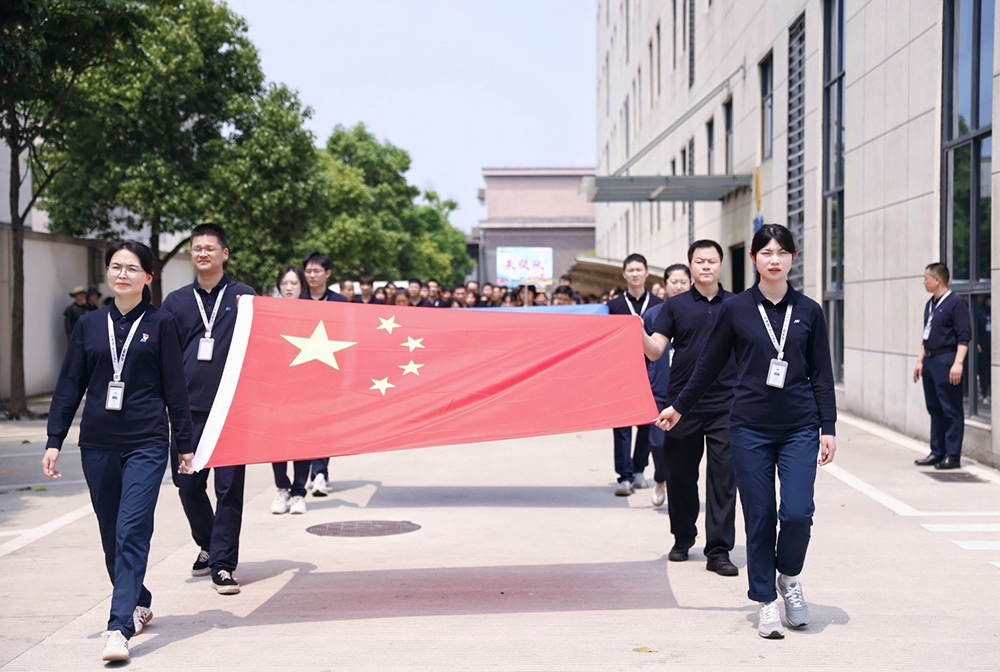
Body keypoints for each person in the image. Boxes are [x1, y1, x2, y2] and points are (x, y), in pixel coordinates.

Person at [656, 224, 837, 640]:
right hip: (749, 428)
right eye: (766, 252)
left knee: (796, 514)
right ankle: (765, 600)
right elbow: (708, 364)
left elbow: (822, 375)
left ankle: (788, 577)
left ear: (793, 257)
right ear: (754, 259)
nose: (774, 260)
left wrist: (828, 426)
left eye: (782, 252)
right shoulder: (735, 309)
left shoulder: (809, 311)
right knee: (759, 515)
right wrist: (679, 407)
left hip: (799, 427)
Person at [44, 241, 193, 662]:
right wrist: (55, 439)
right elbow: (70, 384)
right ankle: (139, 598)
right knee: (111, 534)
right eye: (115, 266)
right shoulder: (89, 325)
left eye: (132, 268)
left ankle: (119, 627)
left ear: (148, 277)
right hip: (97, 443)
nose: (122, 274)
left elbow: (175, 389)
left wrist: (184, 444)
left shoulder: (162, 323)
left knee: (131, 530)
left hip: (145, 441)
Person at [161, 224, 256, 596]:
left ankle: (222, 565)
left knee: (229, 490)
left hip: (232, 409)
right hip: (187, 410)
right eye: (197, 248)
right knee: (187, 485)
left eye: (210, 248)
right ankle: (208, 541)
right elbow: (164, 358)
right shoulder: (176, 302)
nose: (203, 253)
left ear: (224, 254)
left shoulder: (244, 297)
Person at [643, 242, 739, 578]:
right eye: (700, 261)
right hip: (681, 405)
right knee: (681, 475)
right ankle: (683, 538)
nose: (706, 266)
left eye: (712, 261)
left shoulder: (737, 305)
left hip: (727, 404)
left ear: (721, 265)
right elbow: (655, 351)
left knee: (724, 479)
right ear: (690, 266)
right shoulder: (675, 307)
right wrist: (636, 331)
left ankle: (719, 550)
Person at [607, 253, 663, 496]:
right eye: (630, 270)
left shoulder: (660, 305)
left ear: (647, 273)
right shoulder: (614, 305)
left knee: (647, 423)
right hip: (620, 372)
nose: (635, 274)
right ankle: (624, 476)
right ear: (624, 274)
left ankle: (639, 468)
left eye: (639, 269)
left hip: (650, 371)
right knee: (620, 425)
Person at [912, 262, 971, 470]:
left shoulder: (956, 303)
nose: (924, 282)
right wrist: (920, 360)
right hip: (930, 360)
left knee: (950, 408)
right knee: (934, 408)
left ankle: (952, 455)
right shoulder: (930, 304)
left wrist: (958, 363)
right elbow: (926, 335)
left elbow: (964, 336)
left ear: (937, 279)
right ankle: (937, 451)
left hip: (947, 360)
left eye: (926, 278)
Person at [644, 264, 691, 507]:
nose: (679, 286)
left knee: (683, 449)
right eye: (674, 281)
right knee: (658, 443)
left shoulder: (699, 312)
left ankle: (678, 490)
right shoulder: (653, 315)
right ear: (665, 286)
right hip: (659, 390)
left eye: (684, 281)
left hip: (688, 393)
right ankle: (660, 477)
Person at [301, 251, 345, 495]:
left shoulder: (339, 302)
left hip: (331, 373)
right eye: (308, 271)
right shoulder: (297, 301)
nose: (312, 275)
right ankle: (310, 470)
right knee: (306, 424)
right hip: (302, 373)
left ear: (327, 273)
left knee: (324, 425)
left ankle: (319, 472)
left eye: (317, 271)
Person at [270, 266, 312, 515]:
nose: (289, 288)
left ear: (302, 287)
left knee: (303, 443)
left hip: (305, 389)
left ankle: (298, 492)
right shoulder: (271, 313)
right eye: (284, 283)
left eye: (294, 283)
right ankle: (281, 488)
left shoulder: (310, 314)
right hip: (277, 389)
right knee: (277, 442)